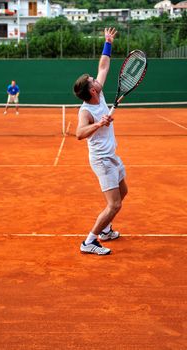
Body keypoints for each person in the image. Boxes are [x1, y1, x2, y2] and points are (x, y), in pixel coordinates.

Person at [73, 27, 128, 255]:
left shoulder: (100, 93)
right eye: (93, 80)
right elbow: (78, 134)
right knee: (114, 204)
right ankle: (90, 241)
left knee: (123, 192)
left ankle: (105, 230)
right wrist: (99, 124)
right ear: (91, 91)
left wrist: (108, 42)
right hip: (101, 159)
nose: (97, 79)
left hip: (112, 155)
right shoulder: (85, 111)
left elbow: (103, 65)